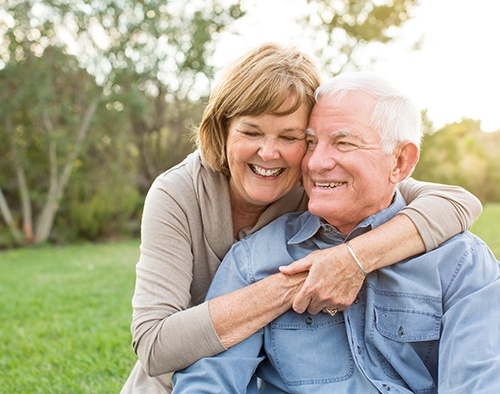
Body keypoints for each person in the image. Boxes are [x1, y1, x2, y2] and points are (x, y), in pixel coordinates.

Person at [121, 44, 483, 393]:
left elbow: (454, 201)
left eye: (292, 137)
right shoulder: (179, 194)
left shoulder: (318, 184)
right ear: (223, 130)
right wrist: (307, 278)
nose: (269, 152)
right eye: (250, 131)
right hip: (172, 370)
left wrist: (352, 258)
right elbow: (155, 345)